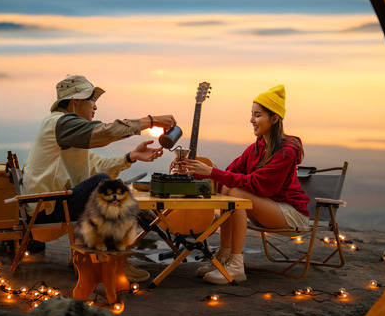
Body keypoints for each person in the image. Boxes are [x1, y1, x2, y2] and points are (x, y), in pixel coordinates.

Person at [21, 74, 176, 282]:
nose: (95, 107)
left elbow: (95, 164)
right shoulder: (61, 123)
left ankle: (87, 253)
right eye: (91, 100)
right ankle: (114, 262)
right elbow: (107, 132)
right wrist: (150, 121)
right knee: (108, 186)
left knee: (104, 181)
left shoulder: (65, 128)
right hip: (47, 210)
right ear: (76, 101)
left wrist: (131, 157)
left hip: (48, 206)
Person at [180, 84, 309, 284]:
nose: (251, 120)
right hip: (269, 207)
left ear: (274, 119)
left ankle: (237, 265)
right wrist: (195, 173)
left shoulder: (287, 151)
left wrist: (212, 172)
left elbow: (261, 186)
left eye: (257, 115)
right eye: (252, 114)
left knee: (238, 193)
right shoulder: (256, 147)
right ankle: (224, 256)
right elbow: (229, 174)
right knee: (227, 188)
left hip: (290, 214)